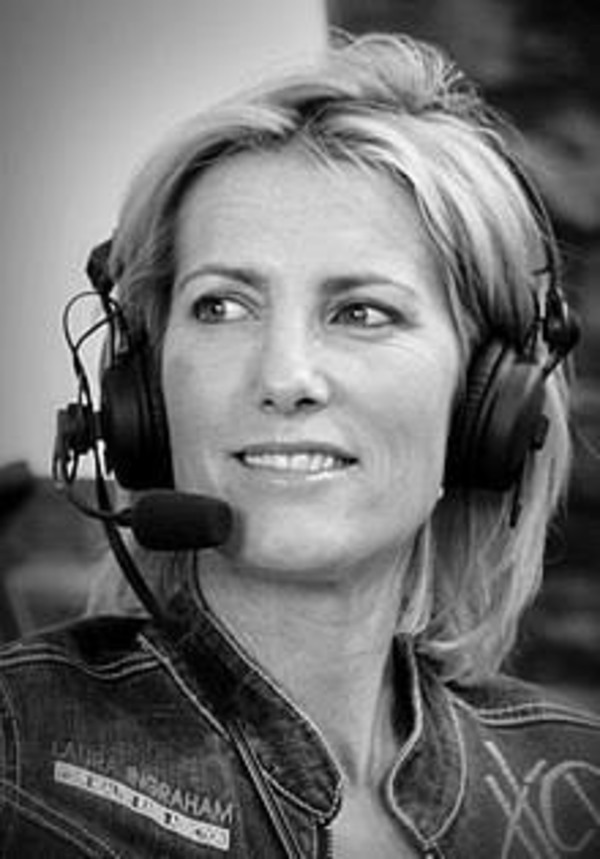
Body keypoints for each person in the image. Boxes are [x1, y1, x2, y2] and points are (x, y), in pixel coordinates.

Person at [1, 31, 599, 858]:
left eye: (361, 312)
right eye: (222, 306)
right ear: (143, 391)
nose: (284, 377)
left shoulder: (579, 785)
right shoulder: (18, 753)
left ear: (488, 399)